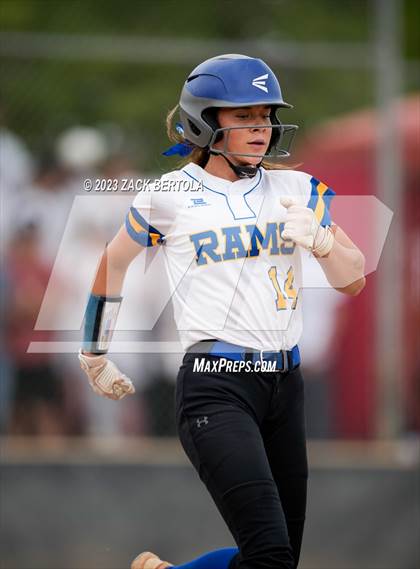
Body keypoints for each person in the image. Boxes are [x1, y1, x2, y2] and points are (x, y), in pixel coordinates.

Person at [78, 54, 366, 569]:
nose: (261, 127)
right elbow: (113, 261)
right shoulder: (170, 194)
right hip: (218, 383)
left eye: (266, 115)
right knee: (270, 556)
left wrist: (323, 243)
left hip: (285, 383)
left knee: (278, 559)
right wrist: (94, 354)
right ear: (205, 121)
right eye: (244, 115)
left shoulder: (296, 189)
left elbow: (354, 279)